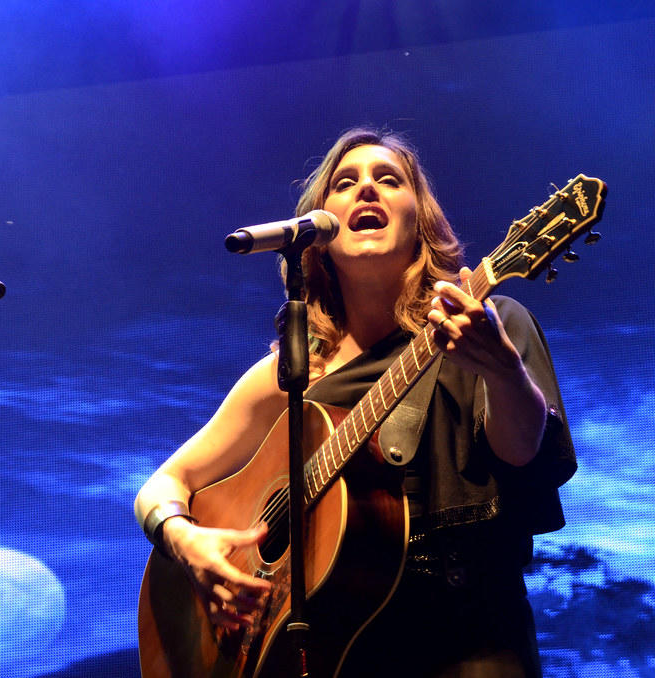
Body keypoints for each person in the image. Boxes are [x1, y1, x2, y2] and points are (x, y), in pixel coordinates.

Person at [134, 127, 575, 676]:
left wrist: (503, 370)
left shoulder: (488, 324)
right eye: (345, 183)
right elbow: (163, 484)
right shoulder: (294, 374)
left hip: (470, 640)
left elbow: (523, 454)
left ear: (421, 220)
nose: (366, 188)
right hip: (333, 655)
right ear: (318, 235)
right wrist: (184, 541)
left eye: (388, 179)